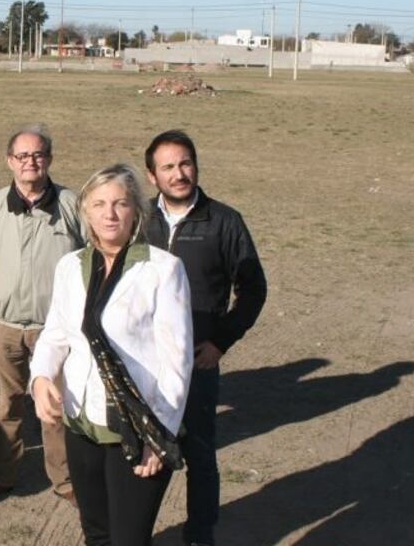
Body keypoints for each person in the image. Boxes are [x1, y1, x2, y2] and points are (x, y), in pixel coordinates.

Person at [30, 163, 194, 546]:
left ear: (136, 211)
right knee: (97, 533)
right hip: (81, 424)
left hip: (136, 429)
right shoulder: (70, 267)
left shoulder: (163, 270)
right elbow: (55, 333)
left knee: (129, 539)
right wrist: (40, 378)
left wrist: (159, 434)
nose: (109, 213)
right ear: (85, 211)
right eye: (99, 203)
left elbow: (178, 362)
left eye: (120, 203)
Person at [144, 130, 267, 546]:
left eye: (185, 163)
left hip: (197, 362)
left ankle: (199, 534)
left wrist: (221, 343)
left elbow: (253, 289)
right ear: (151, 176)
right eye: (168, 167)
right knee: (145, 451)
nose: (179, 174)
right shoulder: (139, 220)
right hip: (145, 363)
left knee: (199, 455)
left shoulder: (224, 221)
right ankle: (136, 529)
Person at [0, 125, 86, 506]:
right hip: (5, 330)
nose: (30, 162)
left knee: (54, 406)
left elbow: (91, 260)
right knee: (7, 405)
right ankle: (3, 475)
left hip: (56, 330)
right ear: (9, 161)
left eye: (37, 155)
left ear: (49, 160)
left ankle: (64, 478)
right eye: (22, 156)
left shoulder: (71, 205)